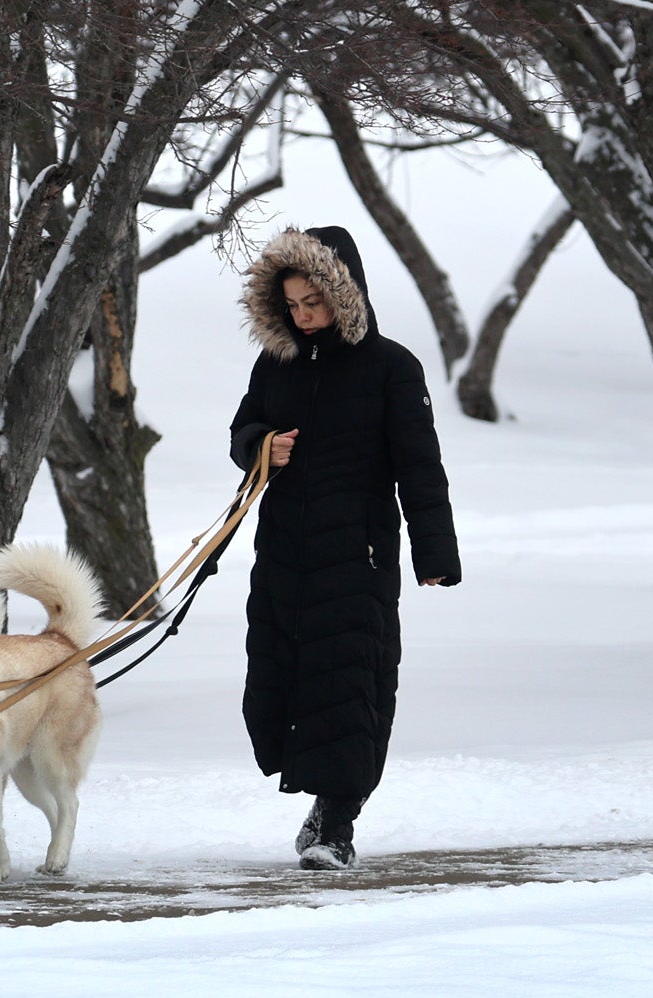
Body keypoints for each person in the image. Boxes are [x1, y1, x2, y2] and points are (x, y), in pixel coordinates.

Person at [226, 225, 460, 870]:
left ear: (344, 293)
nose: (303, 316)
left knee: (352, 686)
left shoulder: (392, 367)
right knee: (282, 679)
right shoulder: (274, 363)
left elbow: (420, 468)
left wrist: (435, 555)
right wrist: (261, 446)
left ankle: (336, 822)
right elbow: (242, 429)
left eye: (314, 302)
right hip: (284, 553)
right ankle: (320, 804)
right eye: (292, 305)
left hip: (359, 555)